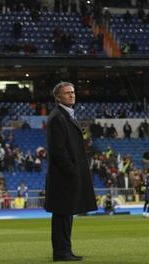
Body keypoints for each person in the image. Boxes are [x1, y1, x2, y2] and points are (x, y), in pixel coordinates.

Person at [44, 82, 97, 262]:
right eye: (67, 93)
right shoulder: (57, 117)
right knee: (62, 215)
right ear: (58, 97)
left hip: (66, 174)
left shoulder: (64, 115)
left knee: (66, 214)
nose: (72, 95)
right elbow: (58, 150)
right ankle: (61, 251)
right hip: (63, 176)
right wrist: (72, 171)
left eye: (73, 92)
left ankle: (65, 250)